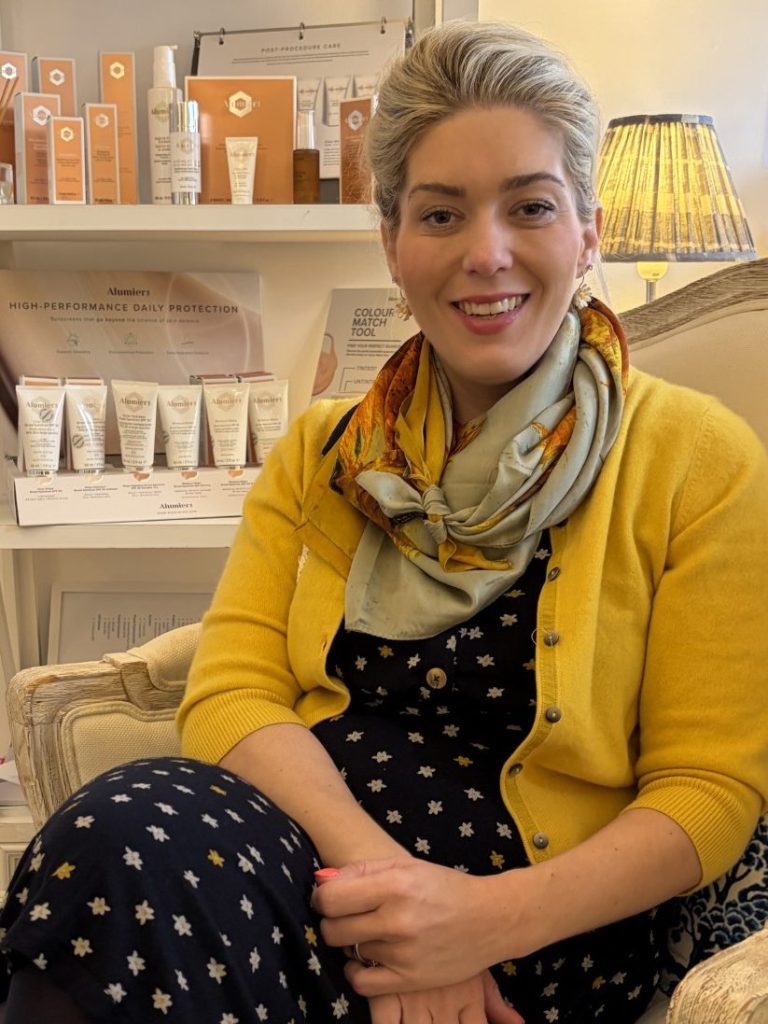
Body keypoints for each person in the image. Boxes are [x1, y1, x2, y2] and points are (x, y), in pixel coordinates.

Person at [2, 20, 768, 1024]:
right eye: (441, 213)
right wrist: (397, 902)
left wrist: (480, 923)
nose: (485, 253)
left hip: (545, 931)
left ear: (587, 231)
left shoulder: (698, 461)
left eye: (529, 206)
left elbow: (707, 788)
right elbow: (232, 692)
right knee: (116, 835)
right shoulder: (326, 454)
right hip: (312, 876)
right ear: (394, 245)